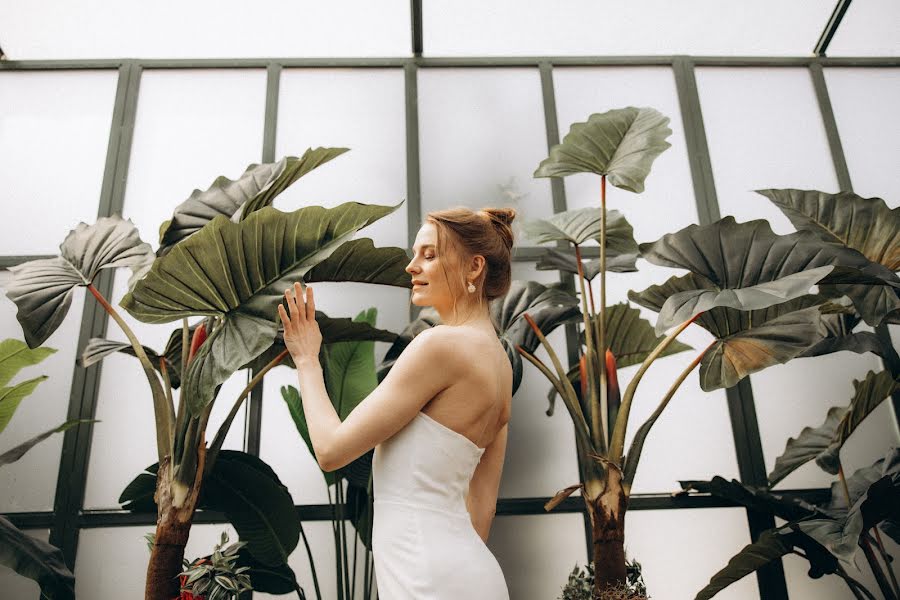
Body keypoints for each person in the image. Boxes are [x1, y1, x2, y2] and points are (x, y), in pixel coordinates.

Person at [277, 206, 516, 599]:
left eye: (429, 254)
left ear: (474, 268)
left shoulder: (440, 345)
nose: (411, 266)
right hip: (473, 575)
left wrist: (306, 358)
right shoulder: (501, 368)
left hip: (423, 575)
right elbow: (482, 512)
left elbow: (331, 450)